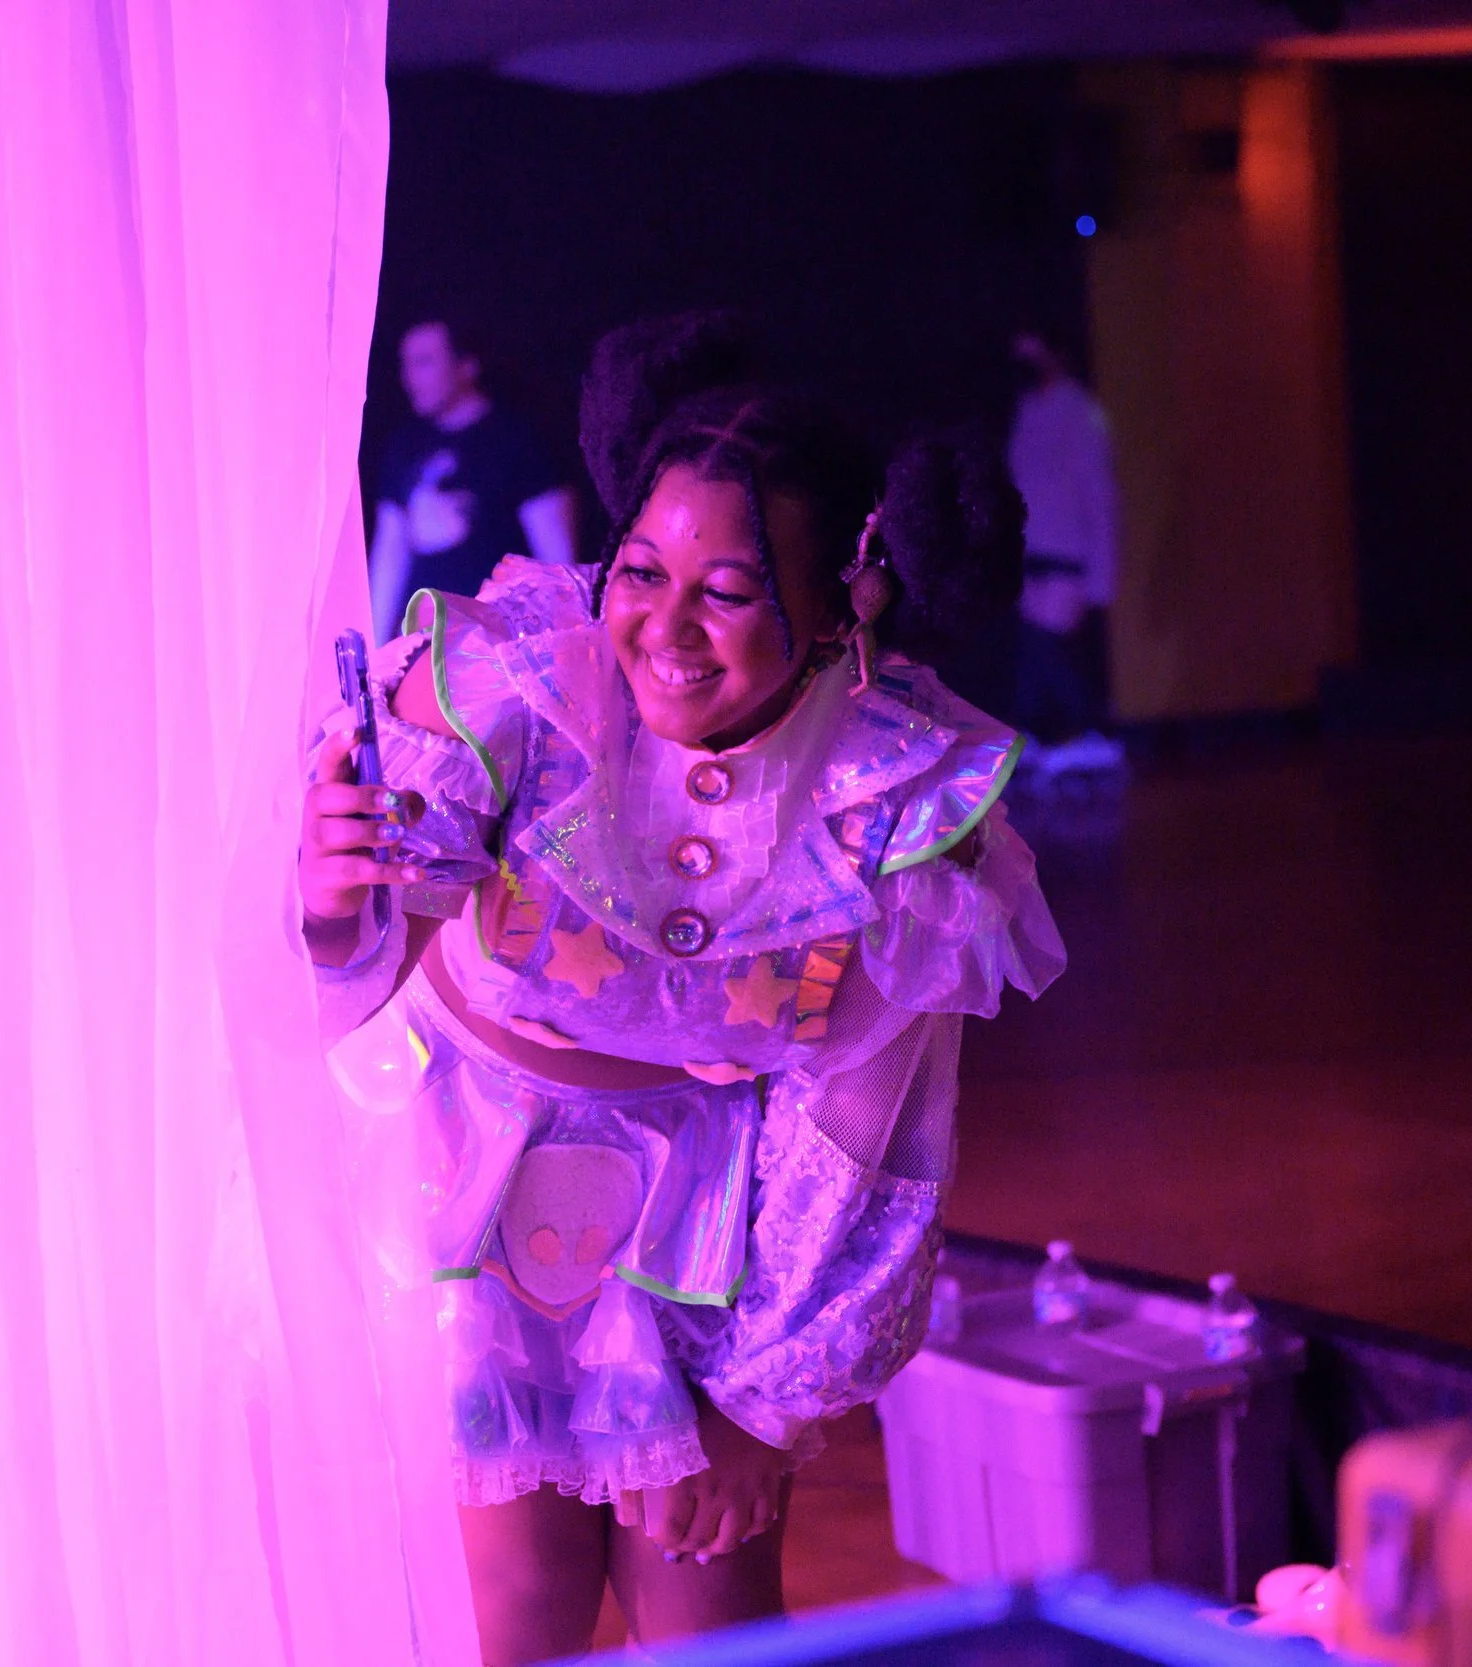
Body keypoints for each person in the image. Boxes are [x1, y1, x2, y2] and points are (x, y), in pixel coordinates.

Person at [298, 313, 1067, 1663]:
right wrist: (327, 904)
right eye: (642, 568)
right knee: (515, 1606)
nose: (666, 624)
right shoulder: (515, 685)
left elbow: (869, 1131)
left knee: (705, 1606)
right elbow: (360, 960)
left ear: (850, 595)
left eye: (729, 587)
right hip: (466, 1177)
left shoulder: (893, 797)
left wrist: (763, 1408)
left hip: (713, 1209)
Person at [371, 319, 580, 643]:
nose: (410, 377)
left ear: (466, 365)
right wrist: (375, 645)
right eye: (406, 363)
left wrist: (561, 642)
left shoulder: (517, 440)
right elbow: (390, 552)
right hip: (424, 644)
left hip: (500, 646)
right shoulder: (404, 447)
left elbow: (557, 559)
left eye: (424, 362)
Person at [1006, 328, 1125, 777]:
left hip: (1067, 556)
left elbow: (1100, 495)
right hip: (1034, 553)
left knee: (1050, 646)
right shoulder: (1027, 412)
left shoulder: (1080, 414)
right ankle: (1043, 734)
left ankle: (1095, 731)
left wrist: (1101, 574)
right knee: (1036, 649)